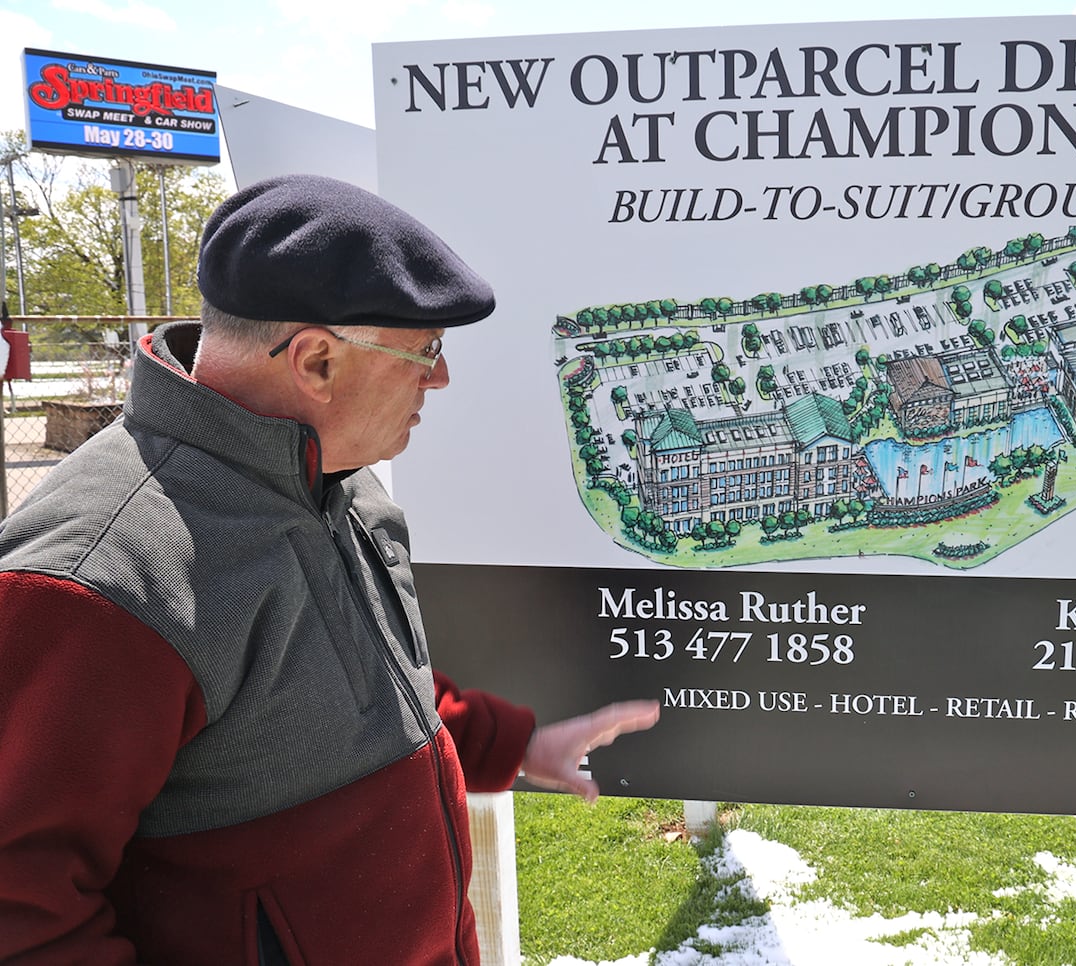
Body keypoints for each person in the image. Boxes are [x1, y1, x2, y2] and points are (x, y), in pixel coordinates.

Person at [0, 174, 660, 964]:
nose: (440, 379)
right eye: (426, 351)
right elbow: (18, 908)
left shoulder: (335, 481)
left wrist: (512, 747)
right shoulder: (100, 577)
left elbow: (350, 693)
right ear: (315, 361)